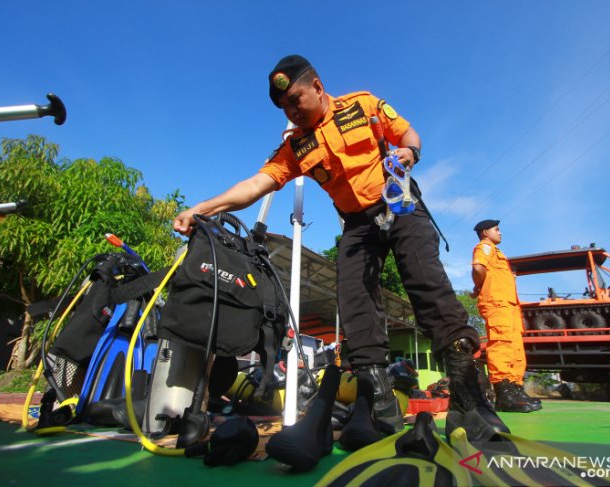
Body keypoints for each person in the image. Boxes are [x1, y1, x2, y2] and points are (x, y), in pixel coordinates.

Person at [174, 54, 509, 447]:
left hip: (399, 206)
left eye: (296, 99)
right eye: (284, 108)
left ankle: (469, 402)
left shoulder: (363, 105)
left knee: (429, 286)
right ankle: (380, 407)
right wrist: (201, 208)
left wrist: (409, 153)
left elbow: (409, 134)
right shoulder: (296, 148)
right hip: (357, 226)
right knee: (353, 302)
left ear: (317, 86)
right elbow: (254, 186)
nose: (292, 111)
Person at [471, 219, 542, 413]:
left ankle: (516, 390)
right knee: (501, 344)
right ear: (485, 232)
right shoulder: (484, 247)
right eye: (497, 229)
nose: (500, 232)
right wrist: (479, 287)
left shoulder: (497, 252)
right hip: (497, 304)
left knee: (515, 348)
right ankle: (504, 394)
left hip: (509, 306)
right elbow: (478, 269)